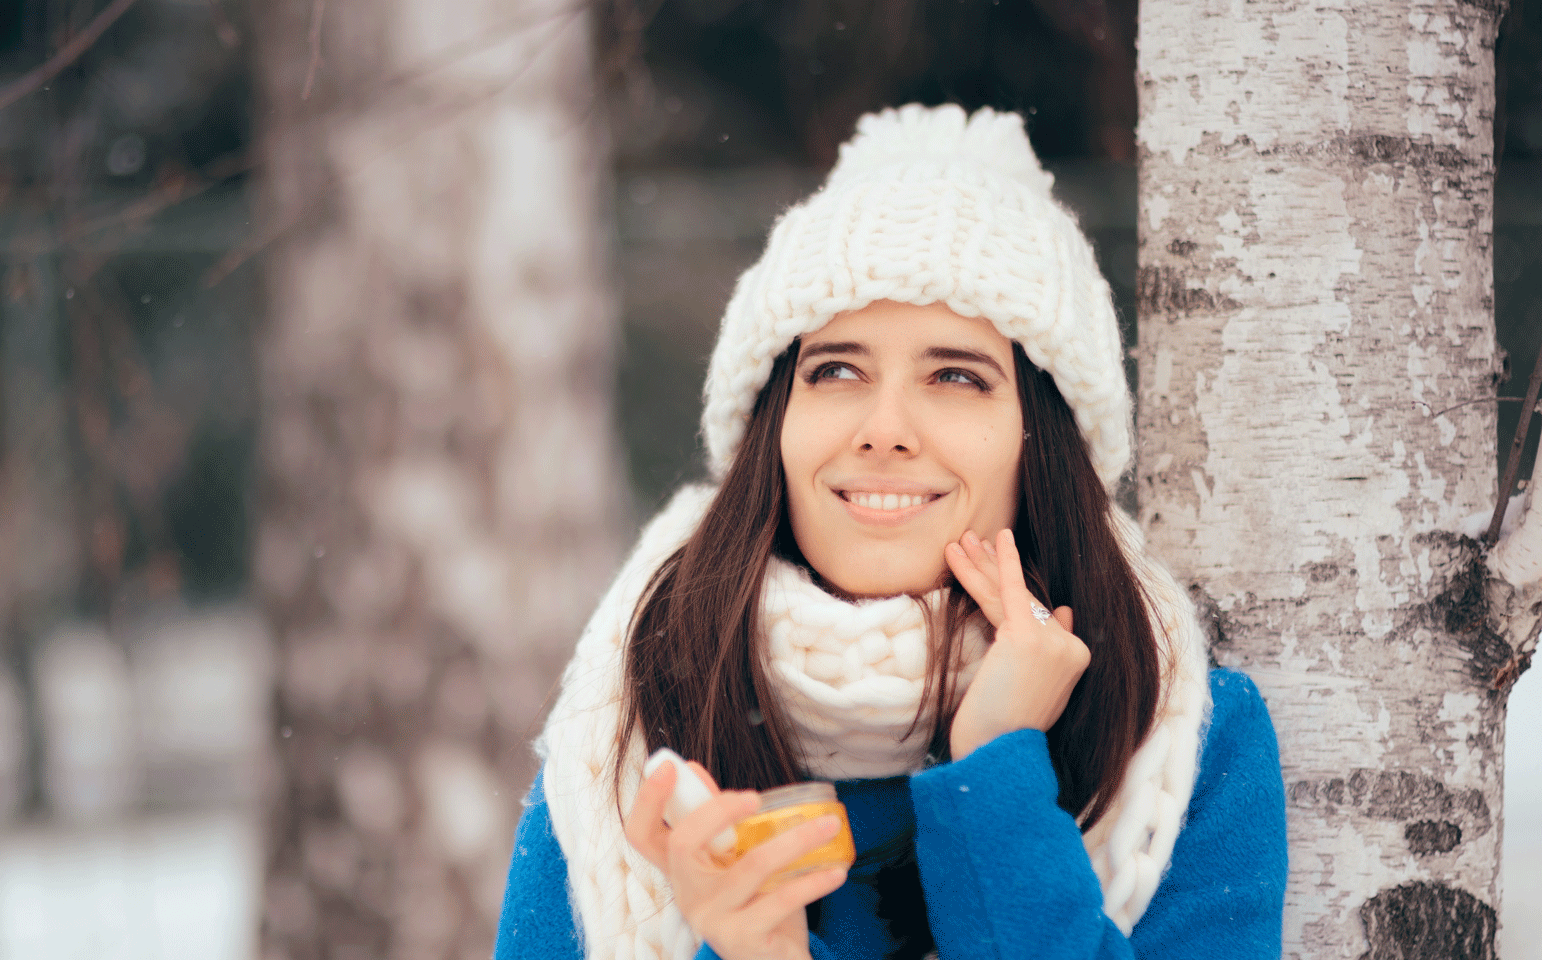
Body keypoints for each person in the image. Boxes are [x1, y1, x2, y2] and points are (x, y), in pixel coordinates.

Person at [493, 104, 1286, 960]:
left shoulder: (1180, 735)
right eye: (836, 369)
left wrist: (997, 782)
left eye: (955, 375)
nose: (884, 427)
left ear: (1042, 445)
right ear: (774, 429)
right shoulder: (630, 735)